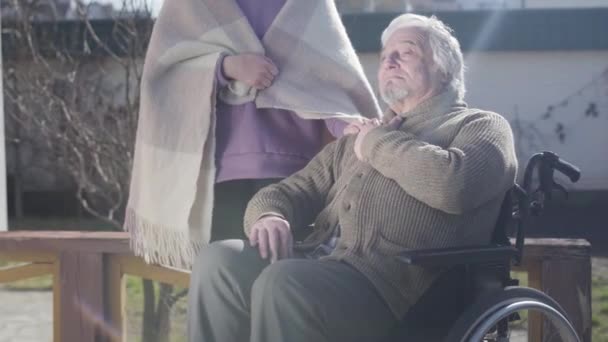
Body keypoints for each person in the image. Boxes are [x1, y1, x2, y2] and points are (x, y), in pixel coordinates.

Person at [188, 13, 518, 342]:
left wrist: (376, 142)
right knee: (219, 261)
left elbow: (454, 186)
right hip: (319, 264)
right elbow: (291, 191)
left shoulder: (480, 126)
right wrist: (269, 215)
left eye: (405, 52)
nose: (389, 62)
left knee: (285, 281)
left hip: (397, 291)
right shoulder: (356, 139)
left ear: (443, 68)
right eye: (385, 55)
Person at [125, 0, 380, 268]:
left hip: (295, 179)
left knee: (284, 285)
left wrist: (348, 127)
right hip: (220, 177)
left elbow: (326, 77)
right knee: (225, 281)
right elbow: (164, 74)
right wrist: (227, 67)